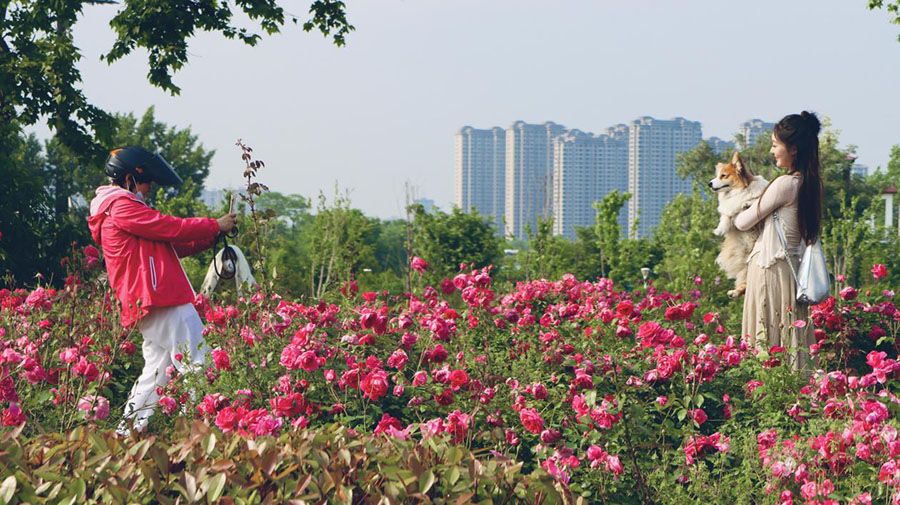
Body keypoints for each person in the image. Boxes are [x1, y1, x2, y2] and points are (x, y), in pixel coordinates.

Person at [87, 146, 237, 435]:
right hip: (161, 299)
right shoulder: (120, 206)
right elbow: (169, 227)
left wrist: (213, 233)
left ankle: (124, 436)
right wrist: (213, 224)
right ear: (130, 179)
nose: (148, 189)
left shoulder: (119, 209)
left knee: (155, 375)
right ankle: (196, 435)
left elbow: (171, 244)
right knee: (197, 364)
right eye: (146, 183)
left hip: (149, 301)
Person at [734, 111, 824, 372]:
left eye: (775, 145)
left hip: (769, 270)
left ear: (793, 149)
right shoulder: (812, 183)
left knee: (767, 338)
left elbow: (742, 222)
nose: (773, 151)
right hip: (793, 270)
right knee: (790, 341)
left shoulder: (784, 184)